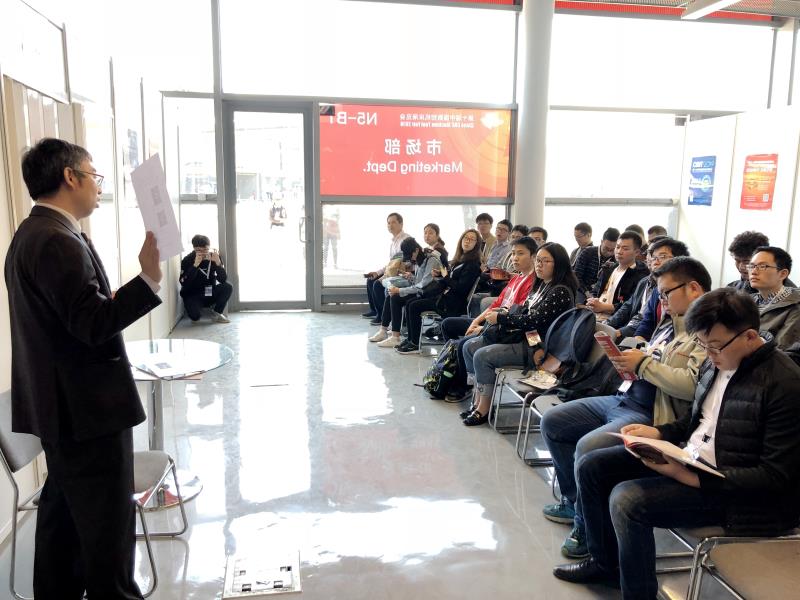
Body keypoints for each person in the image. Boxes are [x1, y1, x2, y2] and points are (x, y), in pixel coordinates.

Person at [556, 289, 800, 598]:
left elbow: (775, 477)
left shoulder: (785, 384)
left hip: (740, 496)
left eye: (714, 346)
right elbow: (697, 421)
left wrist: (687, 476)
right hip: (692, 460)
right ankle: (605, 564)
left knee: (627, 500)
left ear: (750, 336)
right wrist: (659, 434)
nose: (708, 355)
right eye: (703, 345)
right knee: (592, 466)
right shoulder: (717, 362)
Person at [4, 138, 163, 599]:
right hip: (87, 413)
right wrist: (148, 278)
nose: (98, 186)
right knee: (106, 531)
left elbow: (72, 319)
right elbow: (93, 324)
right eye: (94, 175)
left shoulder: (33, 233)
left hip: (64, 410)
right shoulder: (56, 241)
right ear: (70, 177)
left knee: (65, 527)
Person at [541, 257, 709, 559]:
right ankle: (576, 503)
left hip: (649, 414)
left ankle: (585, 527)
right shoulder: (670, 323)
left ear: (694, 288)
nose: (661, 299)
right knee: (553, 422)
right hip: (624, 397)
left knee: (588, 448)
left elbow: (691, 385)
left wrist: (643, 364)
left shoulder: (705, 332)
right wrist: (636, 358)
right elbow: (656, 360)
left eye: (666, 292)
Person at [462, 242, 577, 426]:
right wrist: (532, 341)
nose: (539, 265)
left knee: (482, 356)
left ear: (559, 264)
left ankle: (484, 408)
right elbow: (528, 319)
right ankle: (477, 400)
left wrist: (501, 319)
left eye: (546, 261)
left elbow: (533, 321)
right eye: (538, 260)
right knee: (469, 346)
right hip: (531, 342)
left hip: (545, 351)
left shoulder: (560, 291)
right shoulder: (541, 286)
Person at [439, 236, 536, 399]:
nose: (515, 258)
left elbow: (513, 315)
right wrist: (476, 321)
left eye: (520, 253)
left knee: (464, 343)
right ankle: (453, 370)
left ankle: (463, 386)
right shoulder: (516, 278)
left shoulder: (532, 283)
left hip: (505, 329)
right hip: (492, 322)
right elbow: (497, 303)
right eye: (513, 253)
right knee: (448, 324)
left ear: (533, 256)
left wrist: (482, 329)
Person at [395, 231, 483, 354]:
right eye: (465, 238)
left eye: (471, 239)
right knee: (410, 302)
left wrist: (445, 277)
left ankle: (415, 344)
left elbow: (461, 289)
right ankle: (411, 339)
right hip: (446, 298)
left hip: (453, 304)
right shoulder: (460, 259)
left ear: (476, 244)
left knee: (414, 306)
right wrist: (441, 275)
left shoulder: (472, 264)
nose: (467, 241)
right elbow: (451, 280)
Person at [606, 237, 689, 340]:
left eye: (662, 256)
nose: (653, 261)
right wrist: (608, 325)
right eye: (652, 256)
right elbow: (643, 319)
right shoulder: (648, 285)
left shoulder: (682, 290)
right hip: (643, 337)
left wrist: (621, 333)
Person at [371, 237, 442, 348]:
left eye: (410, 255)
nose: (410, 259)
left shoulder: (431, 260)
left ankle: (395, 337)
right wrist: (411, 277)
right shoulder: (420, 259)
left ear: (416, 250)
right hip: (421, 292)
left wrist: (400, 290)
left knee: (396, 297)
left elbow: (422, 286)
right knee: (392, 297)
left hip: (428, 295)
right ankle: (384, 330)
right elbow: (419, 282)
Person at [586, 231, 648, 320]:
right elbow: (595, 291)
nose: (619, 251)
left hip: (614, 320)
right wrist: (592, 300)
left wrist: (603, 307)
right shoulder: (608, 268)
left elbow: (630, 306)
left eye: (625, 249)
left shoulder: (640, 275)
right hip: (593, 315)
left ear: (637, 252)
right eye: (617, 247)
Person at [748, 246, 800, 348]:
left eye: (762, 266)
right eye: (751, 266)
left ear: (782, 274)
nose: (753, 271)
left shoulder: (796, 306)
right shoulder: (745, 302)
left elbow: (782, 350)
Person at [362, 213, 410, 321]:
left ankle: (383, 317)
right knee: (371, 280)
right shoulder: (394, 241)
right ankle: (375, 311)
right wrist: (378, 272)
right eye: (388, 223)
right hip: (393, 270)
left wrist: (384, 274)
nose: (390, 225)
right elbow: (391, 263)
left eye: (393, 222)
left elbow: (408, 263)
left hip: (401, 273)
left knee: (377, 284)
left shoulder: (405, 240)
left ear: (401, 224)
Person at [179, 235, 233, 323]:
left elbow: (223, 279)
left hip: (209, 291)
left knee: (228, 287)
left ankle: (217, 313)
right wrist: (195, 266)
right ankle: (194, 310)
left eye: (205, 250)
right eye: (199, 250)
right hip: (193, 294)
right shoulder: (187, 260)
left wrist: (218, 263)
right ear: (194, 248)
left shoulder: (213, 257)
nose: (203, 253)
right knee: (195, 317)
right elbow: (184, 282)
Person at [574, 227, 619, 296]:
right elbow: (576, 276)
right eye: (606, 248)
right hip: (582, 291)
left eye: (612, 250)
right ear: (601, 241)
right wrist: (587, 293)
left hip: (602, 295)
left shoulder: (617, 260)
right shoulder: (587, 252)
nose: (609, 252)